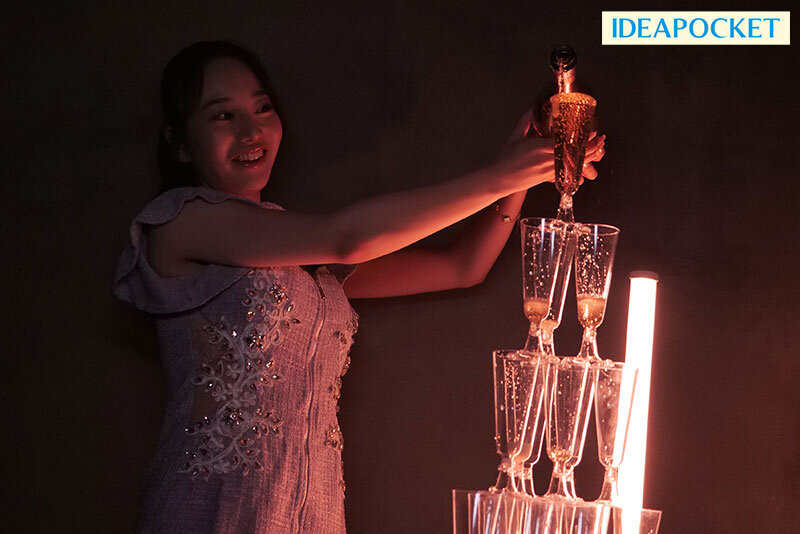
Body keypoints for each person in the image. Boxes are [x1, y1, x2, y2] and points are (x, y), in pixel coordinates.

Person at [113, 40, 605, 533]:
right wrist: (499, 175)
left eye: (262, 108)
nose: (251, 130)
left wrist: (520, 174)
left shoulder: (303, 259)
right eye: (223, 115)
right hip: (210, 514)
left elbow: (462, 266)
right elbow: (348, 239)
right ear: (180, 142)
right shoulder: (179, 223)